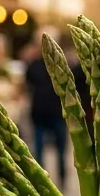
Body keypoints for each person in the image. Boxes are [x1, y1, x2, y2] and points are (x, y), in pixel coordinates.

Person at [24, 28, 68, 187]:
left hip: (58, 114)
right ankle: (42, 182)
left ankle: (62, 181)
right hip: (39, 115)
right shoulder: (34, 65)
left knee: (61, 152)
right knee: (39, 151)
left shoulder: (62, 64)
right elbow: (27, 85)